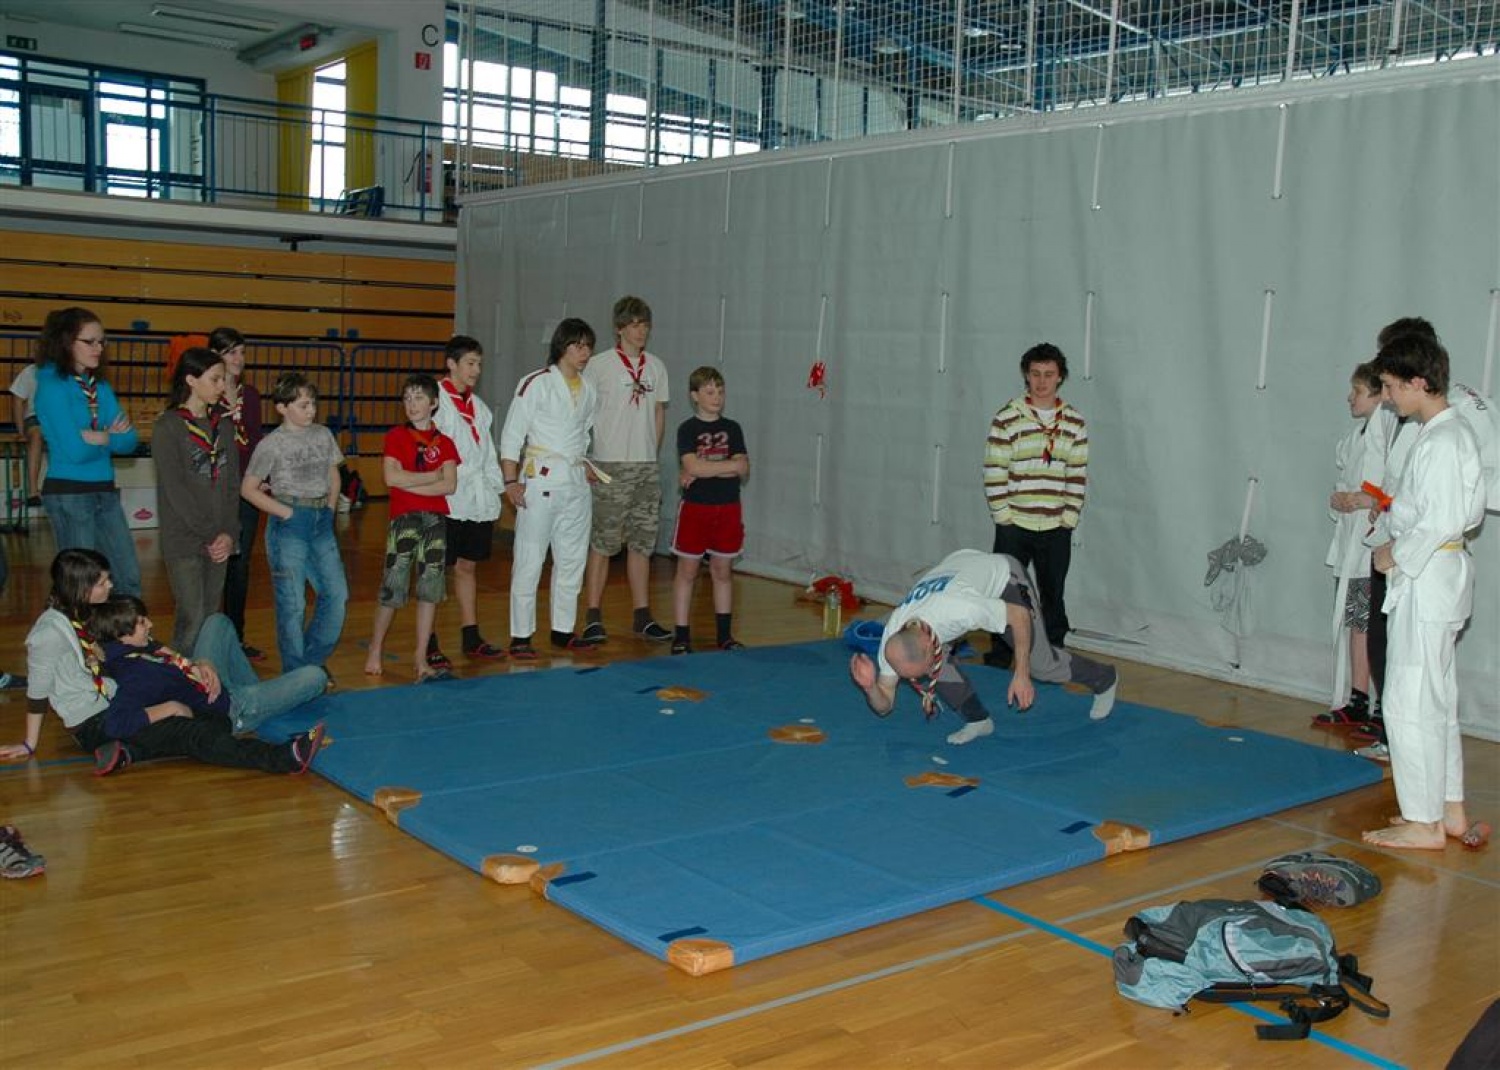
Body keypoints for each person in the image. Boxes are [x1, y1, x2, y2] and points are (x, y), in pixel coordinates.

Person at [0, 549, 322, 773]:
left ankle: (244, 703)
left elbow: (143, 642)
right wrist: (29, 744)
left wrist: (194, 664)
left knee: (216, 625)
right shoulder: (49, 633)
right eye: (101, 583)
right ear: (81, 588)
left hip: (118, 700)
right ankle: (282, 757)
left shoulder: (89, 612)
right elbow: (38, 691)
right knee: (195, 733)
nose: (110, 585)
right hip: (98, 721)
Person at [1363, 332, 1487, 850]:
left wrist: (1394, 552)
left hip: (1428, 575)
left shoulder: (1442, 440)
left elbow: (1440, 520)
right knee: (1435, 698)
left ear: (1419, 382)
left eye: (1392, 386)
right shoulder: (1446, 433)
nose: (1388, 397)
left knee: (1408, 700)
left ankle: (1424, 821)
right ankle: (1448, 809)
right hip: (1438, 576)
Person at [849, 549, 1118, 745]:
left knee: (1042, 666)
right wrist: (871, 687)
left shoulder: (958, 609)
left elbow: (1019, 616)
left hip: (1003, 578)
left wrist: (1021, 673)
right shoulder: (893, 639)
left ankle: (1104, 678)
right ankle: (978, 720)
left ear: (929, 646)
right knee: (937, 669)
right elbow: (885, 705)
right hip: (957, 571)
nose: (913, 682)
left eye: (914, 675)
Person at [87, 595, 326, 776]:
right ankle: (263, 701)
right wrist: (171, 707)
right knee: (316, 676)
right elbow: (116, 723)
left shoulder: (128, 647)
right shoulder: (137, 676)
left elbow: (158, 650)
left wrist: (202, 663)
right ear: (122, 636)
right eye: (141, 622)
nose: (150, 624)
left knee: (216, 621)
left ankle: (262, 693)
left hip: (211, 681)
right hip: (234, 707)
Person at [499, 318, 600, 656]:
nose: (585, 353)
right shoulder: (536, 383)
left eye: (588, 347)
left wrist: (586, 463)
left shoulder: (589, 389)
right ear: (562, 346)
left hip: (575, 483)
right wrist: (510, 480)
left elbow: (583, 434)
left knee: (572, 560)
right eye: (578, 346)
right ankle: (521, 635)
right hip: (540, 479)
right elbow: (512, 435)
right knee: (530, 558)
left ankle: (563, 629)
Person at [982, 342, 1088, 663]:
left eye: (1049, 374)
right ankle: (1001, 656)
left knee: (1053, 594)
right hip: (1014, 525)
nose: (1042, 381)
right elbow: (994, 469)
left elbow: (1077, 473)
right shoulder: (1007, 418)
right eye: (1036, 374)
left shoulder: (1074, 422)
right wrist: (1003, 517)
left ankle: (1054, 655)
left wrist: (1068, 519)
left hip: (1056, 526)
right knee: (1007, 593)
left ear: (1060, 377)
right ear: (1026, 376)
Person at [240, 372, 348, 677]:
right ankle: (295, 673)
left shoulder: (323, 434)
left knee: (337, 595)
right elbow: (248, 489)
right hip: (290, 525)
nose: (311, 410)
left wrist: (330, 507)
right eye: (303, 405)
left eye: (313, 403)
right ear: (282, 408)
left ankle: (310, 663)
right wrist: (286, 513)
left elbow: (333, 475)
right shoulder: (271, 444)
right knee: (293, 604)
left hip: (320, 519)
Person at [31, 307, 142, 596]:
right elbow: (75, 451)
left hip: (105, 490)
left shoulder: (100, 386)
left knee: (127, 577)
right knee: (82, 587)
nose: (98, 348)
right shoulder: (51, 386)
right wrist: (110, 438)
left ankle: (125, 627)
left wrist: (99, 437)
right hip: (69, 493)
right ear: (66, 342)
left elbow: (130, 441)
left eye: (101, 342)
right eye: (89, 341)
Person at [581, 295, 672, 645]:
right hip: (610, 464)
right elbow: (582, 413)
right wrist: (586, 458)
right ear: (619, 328)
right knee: (604, 543)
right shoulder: (599, 365)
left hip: (645, 465)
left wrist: (651, 453)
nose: (641, 331)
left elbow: (658, 412)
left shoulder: (656, 366)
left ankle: (642, 615)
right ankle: (592, 616)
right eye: (634, 324)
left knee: (642, 543)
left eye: (645, 324)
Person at [363, 374, 461, 683]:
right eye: (407, 398)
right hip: (404, 518)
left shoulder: (445, 443)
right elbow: (392, 479)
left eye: (418, 398)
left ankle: (421, 656)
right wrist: (431, 477)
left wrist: (412, 481)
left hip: (435, 519)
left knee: (430, 588)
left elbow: (449, 485)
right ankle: (375, 647)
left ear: (433, 403)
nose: (411, 404)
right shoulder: (396, 436)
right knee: (394, 584)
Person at [154, 346, 240, 652]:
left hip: (220, 539)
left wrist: (229, 533)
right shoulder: (168, 427)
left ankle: (206, 674)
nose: (222, 386)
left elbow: (232, 486)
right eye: (215, 379)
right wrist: (211, 533)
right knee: (191, 616)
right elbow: (175, 490)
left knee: (211, 617)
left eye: (223, 379)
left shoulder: (224, 426)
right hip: (185, 538)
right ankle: (180, 675)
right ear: (191, 380)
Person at [1317, 360, 1387, 728]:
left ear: (1378, 395)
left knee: (1373, 627)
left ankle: (1381, 703)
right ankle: (1358, 697)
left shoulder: (1390, 437)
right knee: (1356, 622)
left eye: (1357, 391)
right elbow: (1346, 481)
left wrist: (1363, 499)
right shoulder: (1356, 437)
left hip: (1373, 547)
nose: (1350, 398)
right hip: (1352, 546)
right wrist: (1341, 499)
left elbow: (1392, 492)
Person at [429, 335, 507, 665]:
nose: (476, 370)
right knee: (435, 570)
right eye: (470, 363)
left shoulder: (480, 409)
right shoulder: (435, 402)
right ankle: (428, 640)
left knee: (467, 566)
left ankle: (470, 634)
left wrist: (496, 489)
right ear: (452, 364)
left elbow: (487, 454)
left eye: (479, 364)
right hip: (445, 496)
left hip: (474, 498)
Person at [670, 365, 749, 655]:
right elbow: (692, 466)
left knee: (723, 571)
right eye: (710, 392)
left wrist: (705, 469)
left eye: (721, 391)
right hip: (696, 508)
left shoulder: (733, 428)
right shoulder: (687, 429)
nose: (717, 397)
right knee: (687, 571)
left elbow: (743, 468)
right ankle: (681, 636)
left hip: (728, 507)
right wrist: (725, 467)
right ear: (695, 396)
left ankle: (724, 636)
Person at [212, 326, 268, 661]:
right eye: (231, 352)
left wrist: (261, 477)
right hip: (216, 490)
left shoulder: (251, 395)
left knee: (240, 563)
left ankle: (236, 638)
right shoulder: (208, 394)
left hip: (246, 489)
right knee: (214, 562)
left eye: (242, 352)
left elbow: (256, 441)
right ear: (215, 356)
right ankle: (207, 639)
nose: (239, 358)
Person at [7, 349, 46, 508]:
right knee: (36, 435)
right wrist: (21, 430)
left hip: (57, 418)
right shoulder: (30, 372)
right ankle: (33, 491)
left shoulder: (64, 373)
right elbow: (17, 401)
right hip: (35, 417)